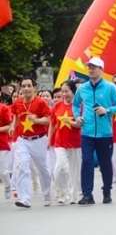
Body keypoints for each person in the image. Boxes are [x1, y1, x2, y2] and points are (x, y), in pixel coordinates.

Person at [73, 57, 116, 205]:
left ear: (101, 70)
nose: (90, 69)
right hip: (87, 132)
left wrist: (107, 110)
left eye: (94, 67)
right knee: (87, 161)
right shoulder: (82, 88)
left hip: (104, 133)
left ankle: (107, 190)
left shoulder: (110, 87)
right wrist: (78, 117)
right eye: (89, 67)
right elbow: (76, 104)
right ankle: (87, 194)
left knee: (105, 163)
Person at [9, 77, 52, 208]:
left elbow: (48, 119)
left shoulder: (40, 102)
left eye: (29, 86)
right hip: (23, 140)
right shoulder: (17, 103)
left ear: (34, 87)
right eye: (24, 86)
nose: (26, 89)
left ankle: (46, 194)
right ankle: (25, 198)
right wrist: (12, 126)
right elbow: (16, 116)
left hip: (39, 139)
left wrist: (36, 120)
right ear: (20, 88)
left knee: (43, 169)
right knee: (23, 167)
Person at [48, 81, 82, 204]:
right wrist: (48, 140)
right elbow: (52, 124)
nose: (64, 94)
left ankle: (74, 196)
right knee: (60, 167)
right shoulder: (57, 106)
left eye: (66, 91)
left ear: (73, 91)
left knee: (74, 171)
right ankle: (61, 192)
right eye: (62, 91)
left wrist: (70, 122)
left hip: (75, 143)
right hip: (59, 143)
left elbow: (80, 124)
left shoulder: (79, 106)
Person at [0, 99, 10, 199]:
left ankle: (7, 184)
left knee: (2, 170)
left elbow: (10, 125)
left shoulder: (3, 108)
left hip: (1, 143)